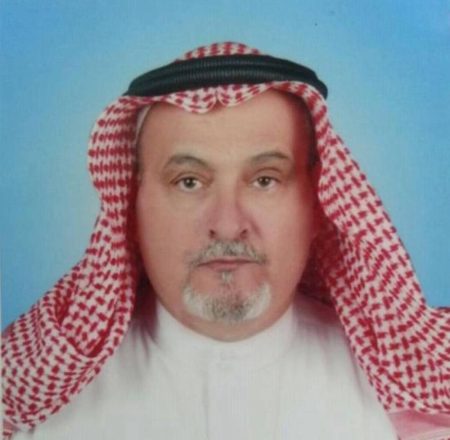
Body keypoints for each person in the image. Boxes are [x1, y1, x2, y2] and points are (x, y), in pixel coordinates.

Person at [2, 42, 449, 440]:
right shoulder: (30, 414)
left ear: (319, 206)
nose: (228, 224)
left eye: (265, 180)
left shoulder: (415, 412)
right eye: (189, 182)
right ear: (132, 209)